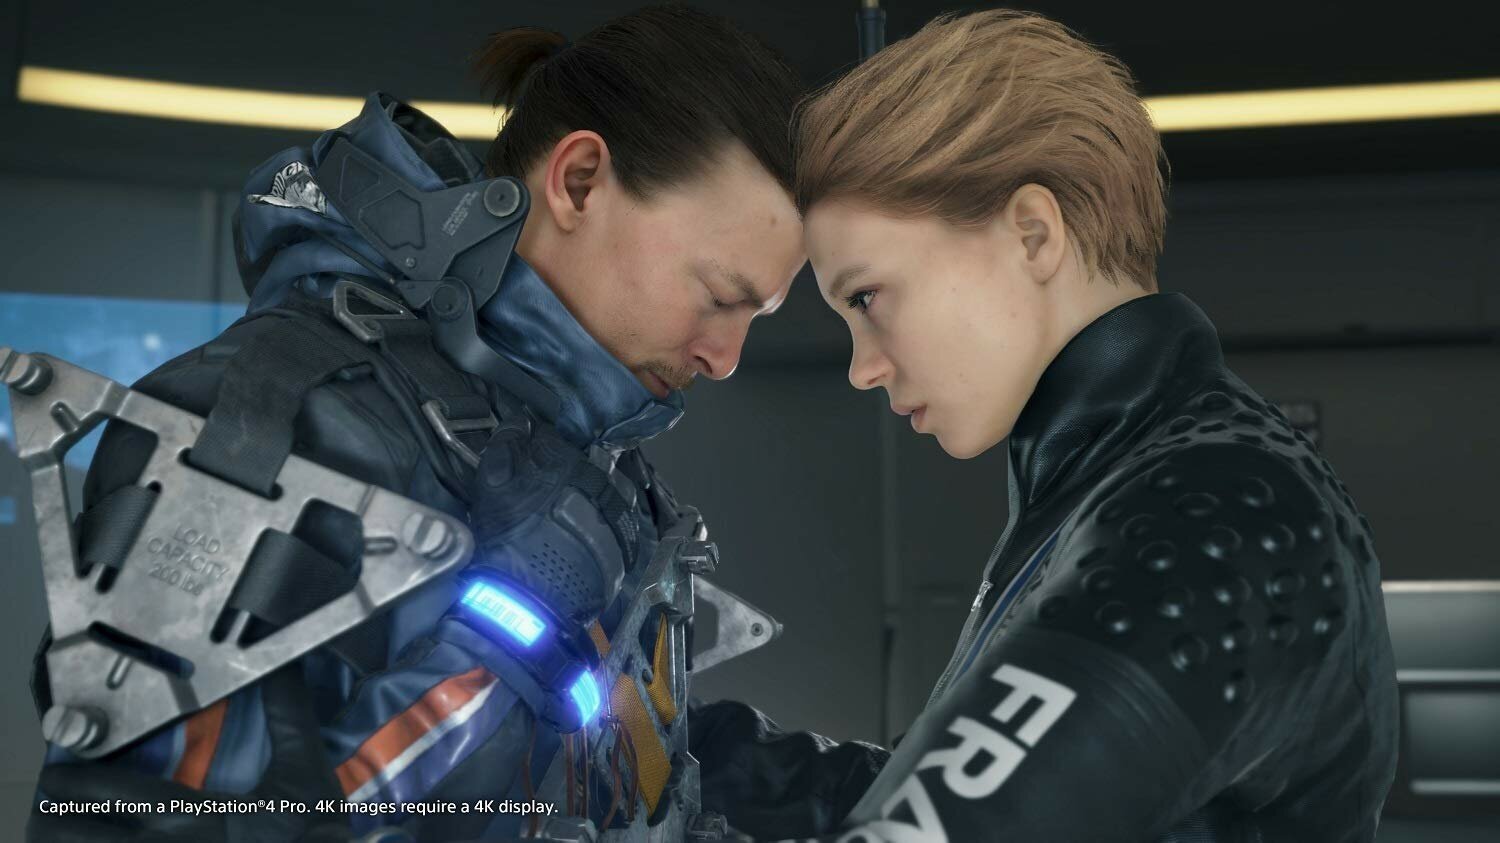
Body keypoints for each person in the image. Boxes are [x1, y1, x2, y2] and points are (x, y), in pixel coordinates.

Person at [25, 6, 888, 841]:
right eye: (720, 294)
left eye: (756, 316)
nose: (726, 358)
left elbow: (619, 765)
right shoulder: (264, 408)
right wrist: (496, 658)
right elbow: (138, 817)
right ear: (579, 180)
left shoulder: (565, 464)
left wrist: (908, 783)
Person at [779, 9, 1399, 841]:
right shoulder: (1112, 483)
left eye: (865, 297)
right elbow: (969, 792)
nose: (863, 367)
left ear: (1032, 234)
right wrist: (710, 758)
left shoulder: (1207, 508)